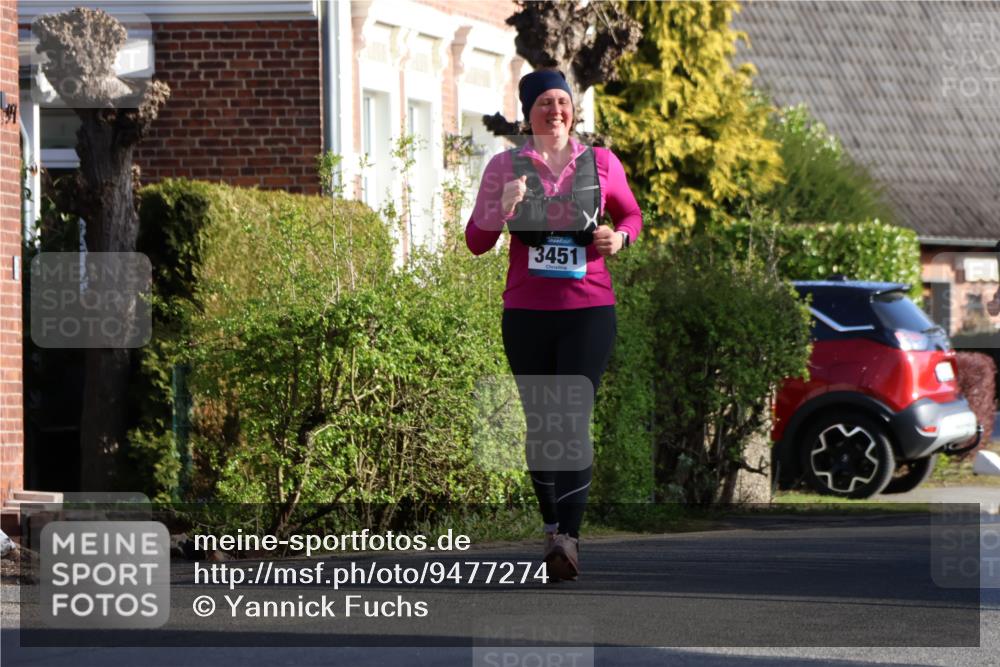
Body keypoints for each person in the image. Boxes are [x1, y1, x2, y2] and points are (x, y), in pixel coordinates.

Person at [465, 69, 643, 581]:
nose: (556, 110)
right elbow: (476, 241)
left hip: (589, 310)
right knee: (542, 424)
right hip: (527, 313)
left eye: (563, 101)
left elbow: (631, 216)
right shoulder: (504, 167)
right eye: (545, 102)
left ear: (573, 110)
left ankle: (569, 537)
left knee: (571, 418)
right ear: (528, 114)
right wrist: (501, 209)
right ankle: (550, 526)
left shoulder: (602, 163)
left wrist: (620, 239)